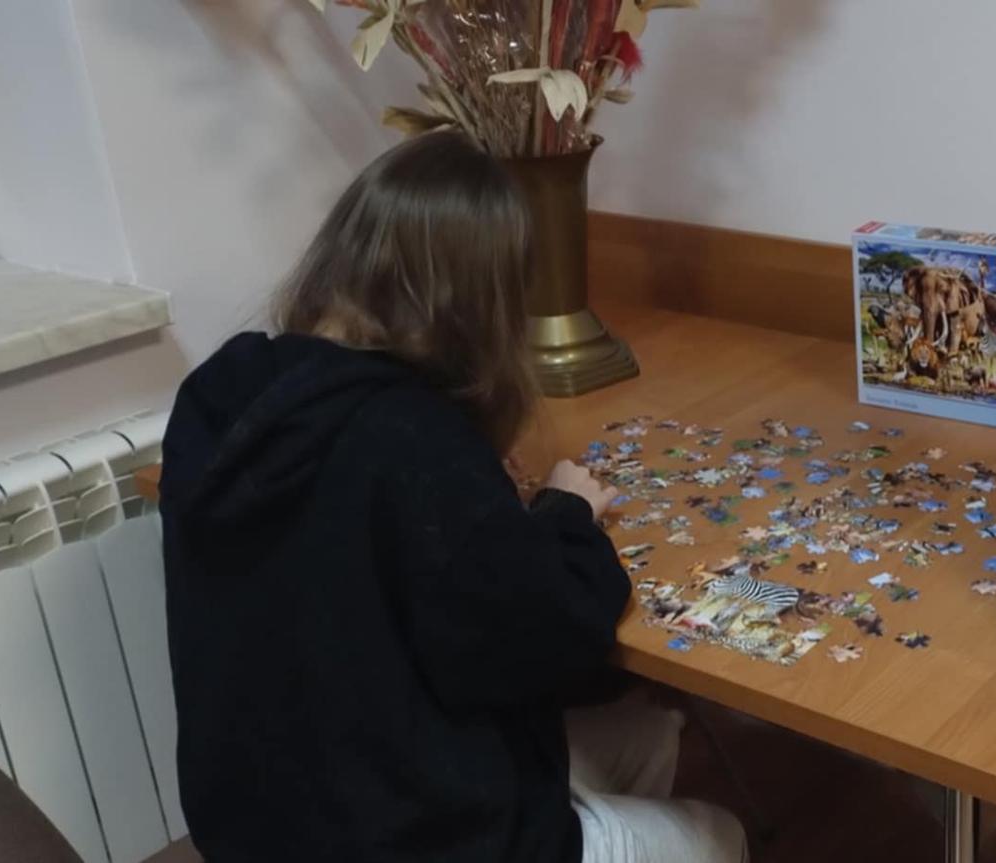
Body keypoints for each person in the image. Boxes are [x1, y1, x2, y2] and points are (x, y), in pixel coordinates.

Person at [159, 130, 746, 863]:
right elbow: (557, 646)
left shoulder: (218, 397)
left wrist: (478, 494)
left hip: (265, 829)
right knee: (718, 835)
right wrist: (565, 513)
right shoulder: (412, 438)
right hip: (406, 841)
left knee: (650, 731)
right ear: (479, 303)